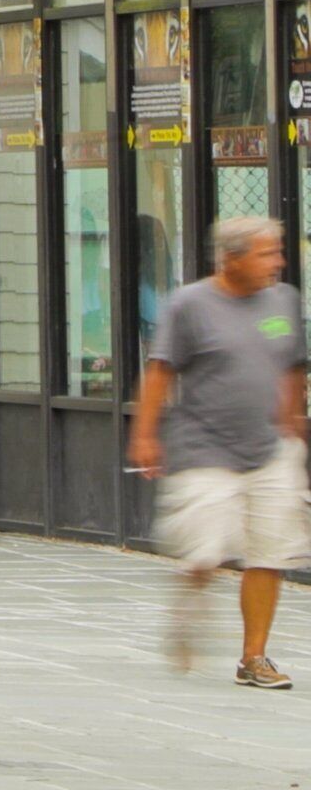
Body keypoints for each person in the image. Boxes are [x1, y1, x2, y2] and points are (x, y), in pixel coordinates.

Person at [133, 212, 310, 686]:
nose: (277, 262)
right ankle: (190, 607)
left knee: (268, 554)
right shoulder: (190, 304)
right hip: (203, 446)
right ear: (230, 259)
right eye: (267, 253)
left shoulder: (284, 302)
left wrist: (295, 422)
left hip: (271, 447)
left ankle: (254, 658)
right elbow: (160, 371)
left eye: (278, 251)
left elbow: (293, 364)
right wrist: (145, 435)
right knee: (206, 552)